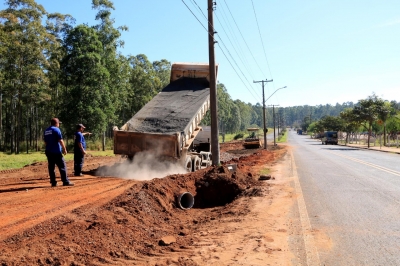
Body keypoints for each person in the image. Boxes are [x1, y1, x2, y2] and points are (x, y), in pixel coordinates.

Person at [44, 118, 74, 187]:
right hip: (56, 152)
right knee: (62, 166)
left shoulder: (46, 130)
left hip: (49, 151)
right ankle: (65, 181)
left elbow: (45, 142)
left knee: (51, 168)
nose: (59, 125)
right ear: (56, 123)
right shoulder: (56, 129)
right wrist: (64, 149)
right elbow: (60, 140)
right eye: (59, 124)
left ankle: (53, 183)